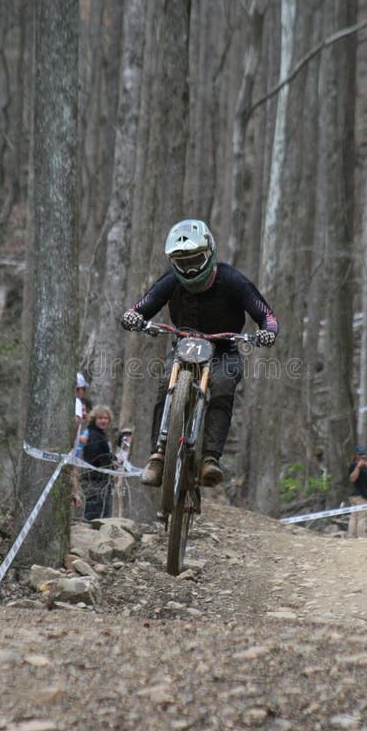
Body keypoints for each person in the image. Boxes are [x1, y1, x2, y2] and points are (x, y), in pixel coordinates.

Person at [121, 218, 278, 488]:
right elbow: (142, 305)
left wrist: (267, 331)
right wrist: (133, 316)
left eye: (196, 260)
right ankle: (158, 454)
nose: (190, 270)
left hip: (223, 350)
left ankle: (209, 458)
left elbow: (267, 315)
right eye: (183, 264)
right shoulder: (171, 281)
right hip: (184, 346)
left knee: (223, 385)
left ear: (210, 253)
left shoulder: (232, 280)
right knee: (163, 385)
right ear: (173, 263)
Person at [81, 405, 115, 521]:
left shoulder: (100, 435)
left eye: (106, 418)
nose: (103, 421)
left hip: (101, 478)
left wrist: (113, 460)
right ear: (94, 419)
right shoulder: (93, 435)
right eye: (100, 418)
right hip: (94, 479)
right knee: (94, 513)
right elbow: (96, 455)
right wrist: (110, 463)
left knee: (103, 511)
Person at [347, 445, 367, 538]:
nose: (362, 456)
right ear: (356, 455)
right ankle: (361, 536)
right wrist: (358, 467)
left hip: (362, 494)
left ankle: (352, 536)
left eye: (363, 454)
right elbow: (352, 479)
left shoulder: (365, 465)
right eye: (360, 454)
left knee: (354, 517)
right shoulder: (354, 465)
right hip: (359, 495)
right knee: (361, 517)